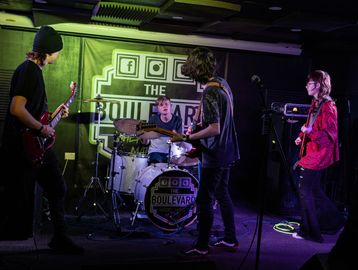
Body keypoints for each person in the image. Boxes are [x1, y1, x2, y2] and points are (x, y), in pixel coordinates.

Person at [0, 25, 83, 254]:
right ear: (49, 51)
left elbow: (33, 112)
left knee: (57, 188)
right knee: (16, 203)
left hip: (35, 148)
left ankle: (60, 237)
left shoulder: (31, 71)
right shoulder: (29, 71)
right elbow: (17, 109)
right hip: (24, 149)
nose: (58, 55)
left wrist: (53, 116)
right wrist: (41, 128)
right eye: (58, 51)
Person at [173, 47, 240, 256]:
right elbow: (219, 116)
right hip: (229, 150)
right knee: (222, 193)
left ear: (196, 69)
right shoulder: (222, 83)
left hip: (215, 154)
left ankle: (201, 246)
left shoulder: (211, 90)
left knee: (204, 199)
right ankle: (230, 239)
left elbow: (215, 128)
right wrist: (195, 124)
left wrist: (187, 137)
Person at [292, 70, 345, 243]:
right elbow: (311, 125)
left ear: (319, 85)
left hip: (318, 156)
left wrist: (310, 132)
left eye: (310, 83)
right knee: (314, 191)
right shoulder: (316, 103)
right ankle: (335, 222)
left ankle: (312, 232)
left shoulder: (329, 107)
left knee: (305, 192)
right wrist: (302, 136)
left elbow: (330, 136)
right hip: (313, 153)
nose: (307, 85)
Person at [139, 96, 182, 164]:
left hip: (172, 153)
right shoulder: (153, 119)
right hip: (155, 151)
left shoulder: (177, 120)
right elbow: (146, 143)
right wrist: (144, 136)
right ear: (158, 108)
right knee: (157, 164)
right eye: (161, 105)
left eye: (166, 104)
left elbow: (179, 142)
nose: (164, 107)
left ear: (170, 106)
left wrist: (175, 137)